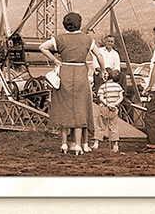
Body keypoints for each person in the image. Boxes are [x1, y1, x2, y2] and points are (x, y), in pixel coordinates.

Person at [39, 12, 107, 155]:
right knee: (80, 109)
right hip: (81, 73)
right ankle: (78, 144)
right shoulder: (87, 39)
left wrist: (55, 60)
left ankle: (64, 144)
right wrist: (102, 70)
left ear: (65, 24)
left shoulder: (60, 38)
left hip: (65, 74)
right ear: (79, 23)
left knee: (64, 108)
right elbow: (99, 55)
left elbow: (42, 47)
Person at [93, 69, 124, 152]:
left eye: (105, 74)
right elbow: (121, 97)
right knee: (113, 126)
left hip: (104, 107)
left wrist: (108, 104)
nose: (104, 75)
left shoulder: (103, 86)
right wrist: (114, 104)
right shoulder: (118, 86)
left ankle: (96, 143)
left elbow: (101, 97)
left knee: (100, 125)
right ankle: (115, 145)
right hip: (114, 109)